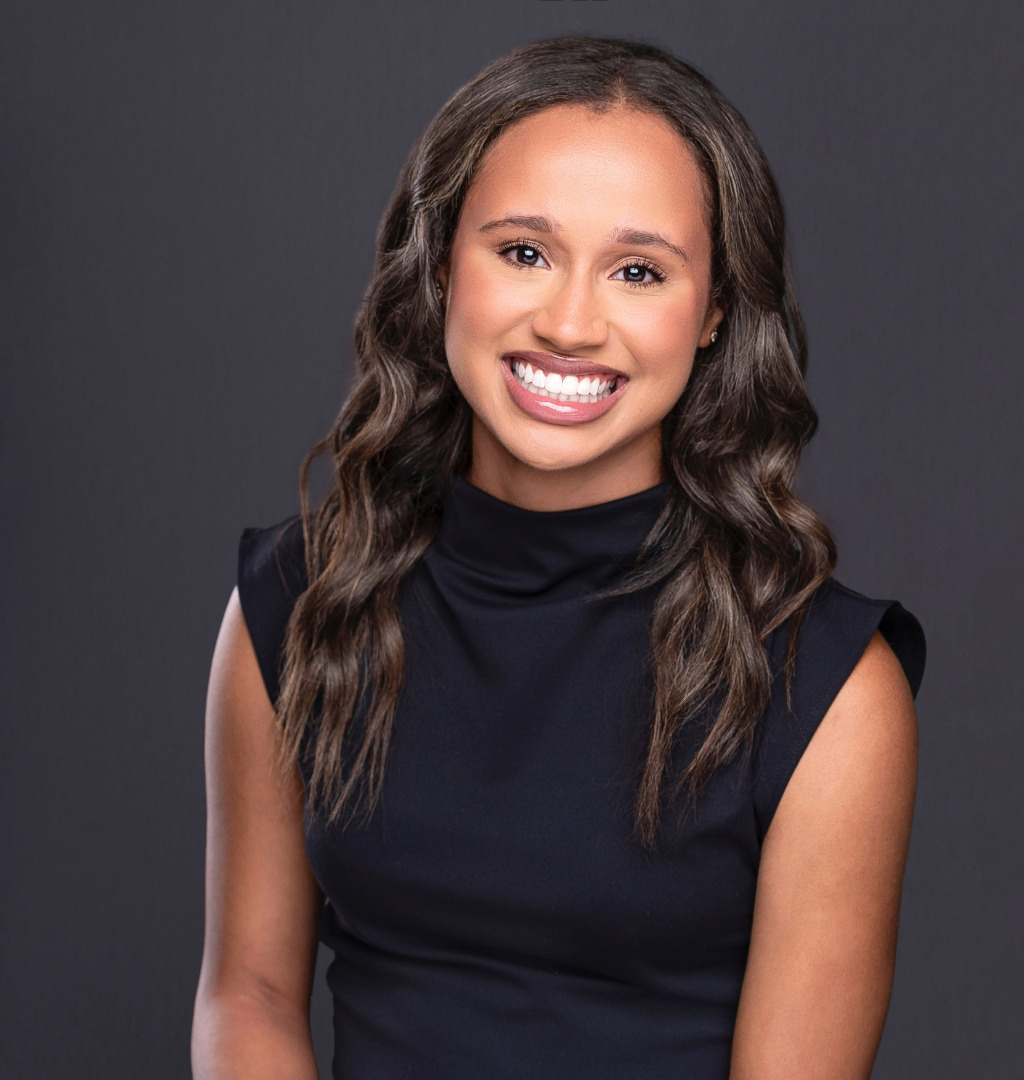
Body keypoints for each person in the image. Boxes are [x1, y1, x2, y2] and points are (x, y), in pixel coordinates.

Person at [191, 35, 926, 1080]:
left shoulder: (833, 690)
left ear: (715, 311)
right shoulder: (297, 600)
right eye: (524, 251)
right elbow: (249, 995)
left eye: (638, 271)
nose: (572, 323)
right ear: (442, 264)